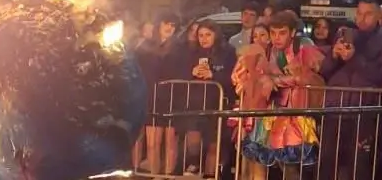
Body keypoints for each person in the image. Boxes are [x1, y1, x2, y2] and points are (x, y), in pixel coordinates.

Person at [233, 11, 325, 179]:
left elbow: (306, 77)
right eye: (273, 33)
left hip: (294, 114)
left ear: (292, 32)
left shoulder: (303, 48)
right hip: (270, 112)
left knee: (289, 165)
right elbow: (258, 75)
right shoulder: (268, 51)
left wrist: (276, 81)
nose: (277, 38)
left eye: (282, 33)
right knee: (258, 159)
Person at [319, 0, 382, 180]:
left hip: (365, 111)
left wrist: (354, 58)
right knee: (327, 164)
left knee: (360, 166)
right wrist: (334, 55)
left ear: (378, 16)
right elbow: (324, 71)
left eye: (368, 14)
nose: (362, 18)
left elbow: (381, 74)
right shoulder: (345, 34)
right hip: (335, 109)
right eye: (359, 13)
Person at [178, 19, 235, 176]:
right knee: (193, 142)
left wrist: (213, 75)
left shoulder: (228, 52)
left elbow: (233, 77)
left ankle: (211, 174)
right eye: (200, 35)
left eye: (208, 35)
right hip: (196, 104)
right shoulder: (192, 52)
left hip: (218, 104)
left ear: (215, 35)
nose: (204, 39)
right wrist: (192, 72)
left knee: (213, 144)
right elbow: (179, 74)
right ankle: (194, 166)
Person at [135, 12, 179, 175]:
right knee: (153, 143)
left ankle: (167, 175)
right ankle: (154, 175)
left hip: (173, 98)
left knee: (170, 143)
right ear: (158, 24)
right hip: (151, 97)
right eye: (166, 23)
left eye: (173, 25)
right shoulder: (144, 47)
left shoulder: (179, 47)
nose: (169, 28)